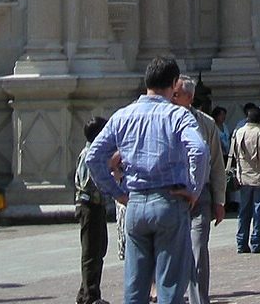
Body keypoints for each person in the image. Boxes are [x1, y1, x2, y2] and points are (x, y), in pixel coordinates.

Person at [85, 56, 210, 304]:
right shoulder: (177, 115)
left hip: (135, 202)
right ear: (174, 84)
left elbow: (93, 157)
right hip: (169, 200)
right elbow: (199, 149)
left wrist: (116, 192)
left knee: (135, 287)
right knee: (170, 287)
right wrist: (193, 189)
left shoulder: (123, 115)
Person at [171, 76, 226, 304]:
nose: (172, 98)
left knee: (197, 251)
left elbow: (216, 164)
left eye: (177, 94)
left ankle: (198, 301)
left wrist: (220, 200)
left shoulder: (206, 123)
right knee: (169, 251)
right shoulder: (162, 119)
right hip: (172, 195)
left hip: (200, 196)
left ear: (190, 97)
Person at [228, 103, 260, 254]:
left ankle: (241, 242)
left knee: (244, 211)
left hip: (244, 177)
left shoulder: (239, 132)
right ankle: (257, 241)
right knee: (259, 211)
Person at [75, 117, 110, 304]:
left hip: (97, 207)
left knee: (99, 249)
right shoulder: (90, 154)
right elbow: (89, 183)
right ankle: (90, 296)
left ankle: (86, 292)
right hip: (90, 207)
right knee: (91, 252)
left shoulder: (96, 153)